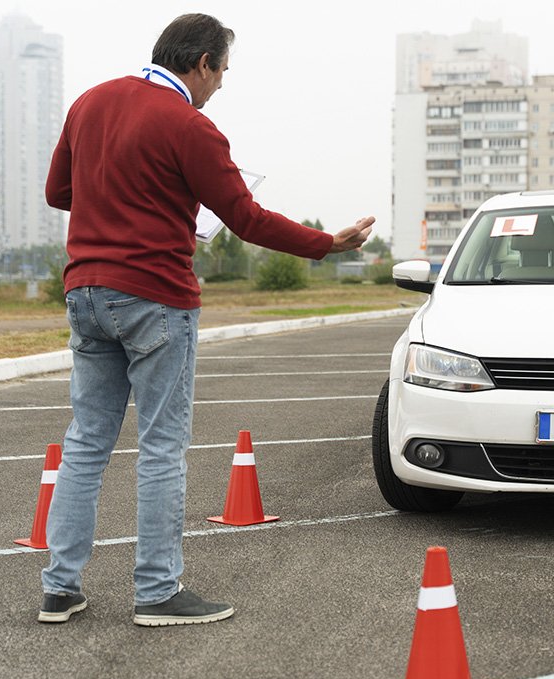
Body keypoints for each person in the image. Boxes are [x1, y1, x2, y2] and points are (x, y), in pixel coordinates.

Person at [39, 13, 374, 627]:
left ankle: (60, 589)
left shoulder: (90, 102)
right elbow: (245, 218)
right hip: (154, 297)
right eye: (222, 72)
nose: (221, 85)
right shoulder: (191, 126)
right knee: (162, 447)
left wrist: (123, 199)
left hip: (85, 292)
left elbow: (59, 192)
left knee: (87, 443)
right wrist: (327, 243)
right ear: (200, 63)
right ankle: (158, 592)